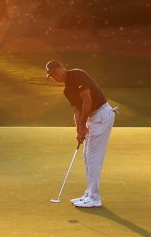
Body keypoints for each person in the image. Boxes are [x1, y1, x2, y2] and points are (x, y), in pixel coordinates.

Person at [45, 60, 117, 208]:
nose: (55, 77)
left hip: (102, 115)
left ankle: (94, 198)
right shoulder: (67, 91)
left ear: (62, 67)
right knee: (87, 156)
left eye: (56, 73)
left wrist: (83, 125)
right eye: (52, 76)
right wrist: (79, 130)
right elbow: (77, 111)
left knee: (93, 157)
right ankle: (89, 193)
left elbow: (87, 101)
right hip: (93, 118)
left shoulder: (77, 75)